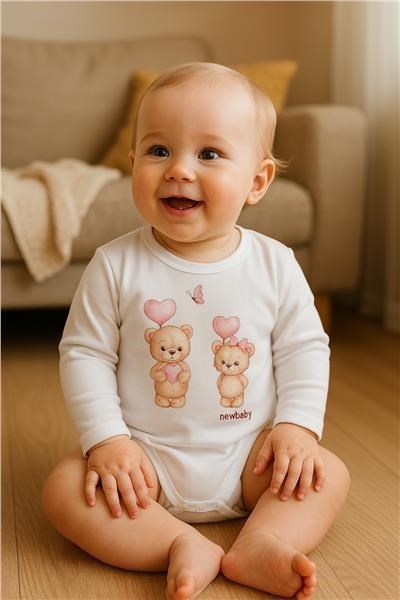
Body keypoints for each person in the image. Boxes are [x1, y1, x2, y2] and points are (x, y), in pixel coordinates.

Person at [42, 62, 350, 600]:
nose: (179, 169)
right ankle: (176, 544)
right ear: (133, 164)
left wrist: (298, 428)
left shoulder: (274, 264)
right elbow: (85, 354)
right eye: (159, 150)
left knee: (329, 473)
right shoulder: (115, 265)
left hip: (253, 457)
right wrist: (108, 441)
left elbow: (304, 347)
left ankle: (264, 540)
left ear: (257, 181)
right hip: (143, 460)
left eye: (208, 154)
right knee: (65, 489)